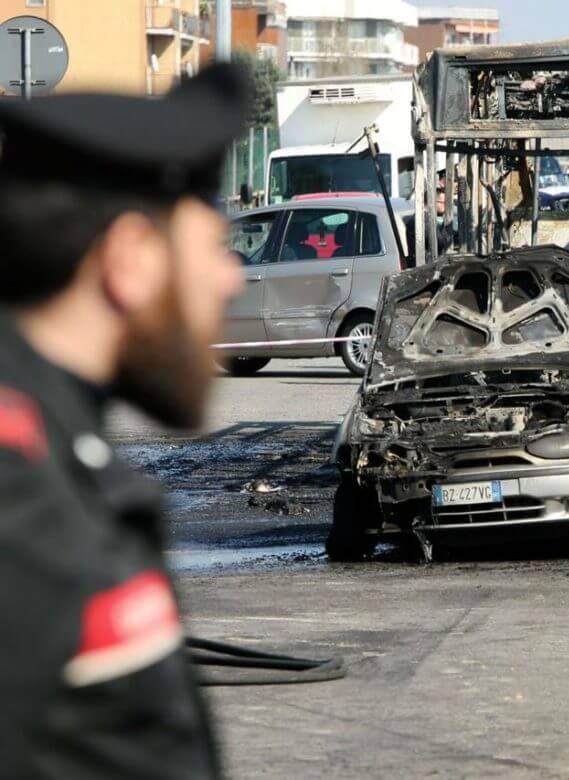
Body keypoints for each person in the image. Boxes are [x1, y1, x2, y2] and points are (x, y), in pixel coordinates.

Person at [0, 65, 249, 776]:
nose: (232, 279)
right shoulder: (17, 498)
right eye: (214, 249)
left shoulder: (52, 444)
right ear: (130, 259)